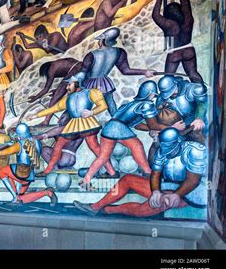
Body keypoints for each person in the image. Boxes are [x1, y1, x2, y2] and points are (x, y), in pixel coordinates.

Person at [74, 128, 207, 217]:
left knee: (145, 209)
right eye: (164, 146)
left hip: (190, 193)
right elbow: (155, 173)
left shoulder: (194, 150)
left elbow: (193, 180)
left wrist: (177, 195)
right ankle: (95, 207)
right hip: (168, 186)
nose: (165, 150)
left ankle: (108, 210)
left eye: (169, 146)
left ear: (179, 142)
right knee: (128, 180)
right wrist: (155, 191)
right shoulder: (163, 149)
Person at [81, 81, 185, 185]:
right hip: (119, 128)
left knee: (103, 156)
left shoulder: (129, 104)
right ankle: (148, 172)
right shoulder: (146, 104)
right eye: (153, 94)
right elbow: (153, 125)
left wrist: (154, 129)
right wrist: (172, 127)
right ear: (149, 93)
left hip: (108, 128)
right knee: (137, 146)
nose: (153, 97)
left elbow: (137, 125)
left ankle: (87, 179)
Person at [28, 74, 116, 177]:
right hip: (73, 124)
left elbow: (103, 105)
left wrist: (91, 112)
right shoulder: (69, 98)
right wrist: (36, 116)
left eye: (69, 84)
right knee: (59, 144)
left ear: (77, 83)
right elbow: (54, 108)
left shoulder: (91, 92)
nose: (67, 87)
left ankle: (112, 172)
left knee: (95, 148)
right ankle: (48, 171)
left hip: (87, 123)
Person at [76, 27, 155, 115]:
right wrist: (145, 72)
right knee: (112, 108)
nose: (99, 41)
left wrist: (78, 85)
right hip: (104, 84)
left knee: (80, 105)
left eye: (100, 39)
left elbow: (83, 73)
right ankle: (116, 121)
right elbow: (126, 70)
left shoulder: (91, 55)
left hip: (88, 84)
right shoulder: (119, 52)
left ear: (103, 40)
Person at [0, 123, 58, 205]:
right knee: (21, 198)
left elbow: (9, 151)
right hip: (29, 174)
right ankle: (48, 193)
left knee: (2, 172)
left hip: (20, 173)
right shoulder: (36, 141)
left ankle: (15, 196)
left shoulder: (19, 144)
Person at [152, 0, 203, 83]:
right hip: (188, 49)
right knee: (193, 73)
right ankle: (201, 93)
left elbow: (155, 16)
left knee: (168, 79)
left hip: (174, 53)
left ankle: (169, 96)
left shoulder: (169, 25)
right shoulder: (188, 20)